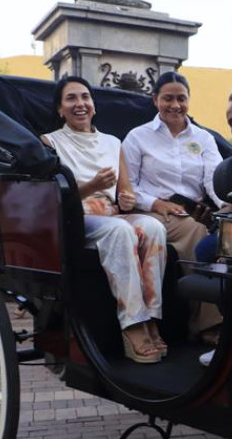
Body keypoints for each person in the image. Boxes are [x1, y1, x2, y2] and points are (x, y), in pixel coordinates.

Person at [41, 76, 168, 364]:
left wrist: (127, 199)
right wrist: (91, 186)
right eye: (71, 98)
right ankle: (132, 323)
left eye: (85, 97)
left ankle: (152, 317)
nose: (80, 104)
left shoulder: (113, 143)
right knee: (120, 232)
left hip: (110, 213)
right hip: (75, 216)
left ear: (94, 106)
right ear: (60, 109)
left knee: (153, 227)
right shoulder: (50, 142)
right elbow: (52, 197)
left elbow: (126, 193)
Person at [122, 71, 223, 338]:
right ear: (155, 99)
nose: (175, 105)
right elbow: (128, 185)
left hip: (195, 212)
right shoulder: (137, 137)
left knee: (228, 236)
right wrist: (156, 203)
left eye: (181, 98)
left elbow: (214, 180)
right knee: (197, 233)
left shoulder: (204, 139)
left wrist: (229, 209)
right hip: (152, 212)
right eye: (168, 98)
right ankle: (209, 325)